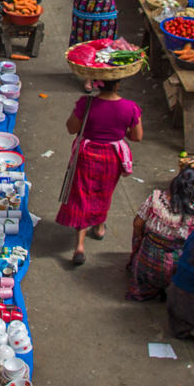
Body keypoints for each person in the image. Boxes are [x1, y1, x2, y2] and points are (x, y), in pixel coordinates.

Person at [56, 79, 143, 264]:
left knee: (82, 194)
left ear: (97, 83)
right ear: (118, 84)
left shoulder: (85, 104)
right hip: (112, 156)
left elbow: (71, 128)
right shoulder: (130, 107)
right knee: (104, 192)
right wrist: (120, 132)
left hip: (86, 154)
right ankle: (99, 226)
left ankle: (79, 246)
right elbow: (137, 136)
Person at [127, 169, 194, 301]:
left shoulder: (155, 200)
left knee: (141, 231)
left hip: (149, 261)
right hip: (178, 268)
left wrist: (141, 241)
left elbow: (137, 224)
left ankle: (142, 276)